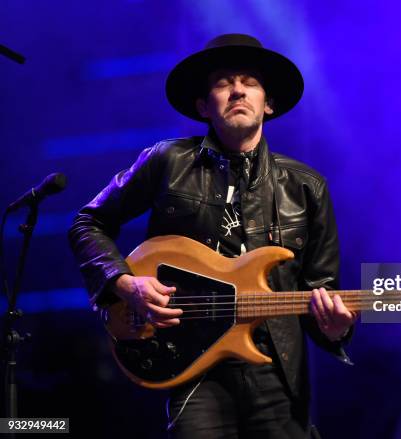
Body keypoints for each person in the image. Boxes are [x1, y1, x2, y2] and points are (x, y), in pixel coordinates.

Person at [68, 33, 356, 438]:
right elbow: (88, 222)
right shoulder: (168, 161)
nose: (237, 89)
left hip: (276, 369)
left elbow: (321, 288)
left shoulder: (306, 187)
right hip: (191, 368)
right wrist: (125, 284)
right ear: (204, 106)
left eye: (250, 82)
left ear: (268, 104)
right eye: (223, 82)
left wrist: (335, 328)